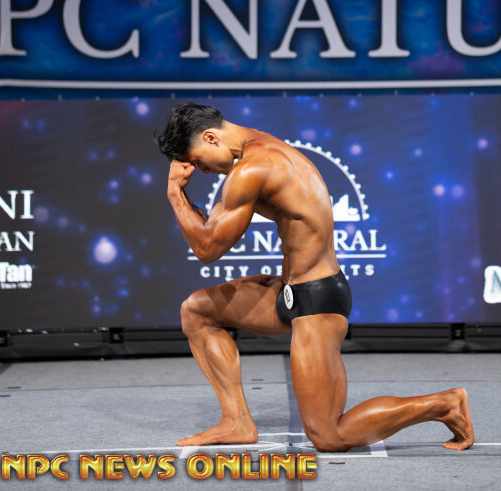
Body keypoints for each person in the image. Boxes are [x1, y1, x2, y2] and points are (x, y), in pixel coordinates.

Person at [157, 102, 474, 452]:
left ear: (210, 137)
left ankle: (443, 404)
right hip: (291, 291)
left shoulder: (254, 167)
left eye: (197, 161)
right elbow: (218, 228)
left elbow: (207, 248)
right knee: (197, 310)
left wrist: (175, 194)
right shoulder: (260, 151)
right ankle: (236, 421)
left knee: (328, 435)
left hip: (316, 300)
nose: (202, 170)